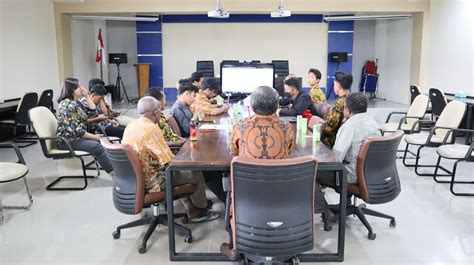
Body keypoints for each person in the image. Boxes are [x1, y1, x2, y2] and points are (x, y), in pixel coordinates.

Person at [221, 86, 295, 260]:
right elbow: (289, 151)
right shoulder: (286, 127)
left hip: (248, 193)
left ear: (252, 107)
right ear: (277, 106)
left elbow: (235, 151)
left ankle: (235, 243)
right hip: (281, 191)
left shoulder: (241, 126)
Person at [122, 97, 219, 223]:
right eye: (160, 112)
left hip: (134, 178)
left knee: (182, 173)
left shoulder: (132, 125)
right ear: (155, 113)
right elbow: (169, 162)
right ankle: (201, 209)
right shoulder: (152, 128)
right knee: (194, 172)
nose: (161, 114)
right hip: (153, 181)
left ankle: (192, 209)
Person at [315, 93, 381, 221]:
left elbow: (336, 159)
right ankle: (346, 204)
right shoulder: (373, 123)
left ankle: (325, 210)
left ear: (348, 111)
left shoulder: (349, 126)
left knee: (310, 172)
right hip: (371, 173)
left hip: (352, 175)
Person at [56, 77, 114, 175]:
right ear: (72, 90)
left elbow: (92, 111)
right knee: (98, 146)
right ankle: (115, 174)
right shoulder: (67, 105)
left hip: (76, 137)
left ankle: (115, 169)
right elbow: (77, 130)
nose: (82, 88)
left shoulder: (75, 103)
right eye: (78, 87)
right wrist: (94, 137)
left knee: (104, 142)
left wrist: (87, 96)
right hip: (68, 140)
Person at [145, 87, 186, 153]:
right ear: (157, 102)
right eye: (164, 99)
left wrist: (183, 141)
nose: (165, 102)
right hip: (170, 152)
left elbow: (169, 136)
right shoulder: (154, 120)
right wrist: (178, 143)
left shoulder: (161, 115)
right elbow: (158, 143)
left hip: (177, 145)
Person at [320, 72, 352, 148]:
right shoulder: (350, 99)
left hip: (330, 143)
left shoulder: (340, 103)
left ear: (339, 85)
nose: (334, 87)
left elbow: (329, 129)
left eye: (334, 84)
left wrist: (321, 128)